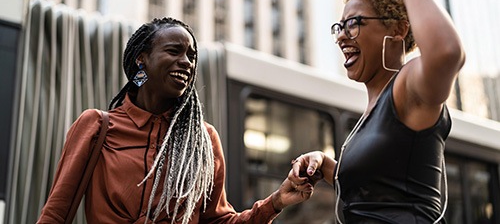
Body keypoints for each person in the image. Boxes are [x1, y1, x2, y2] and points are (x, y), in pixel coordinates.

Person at [38, 17, 317, 224]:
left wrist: (276, 201)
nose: (187, 62)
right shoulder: (97, 127)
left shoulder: (204, 140)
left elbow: (217, 221)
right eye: (174, 51)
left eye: (191, 56)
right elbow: (55, 214)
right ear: (141, 60)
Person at [289, 0, 465, 223]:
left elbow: (446, 52)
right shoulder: (374, 109)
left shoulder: (407, 89)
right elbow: (378, 195)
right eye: (339, 26)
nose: (340, 36)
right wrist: (327, 167)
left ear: (397, 29)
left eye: (354, 23)